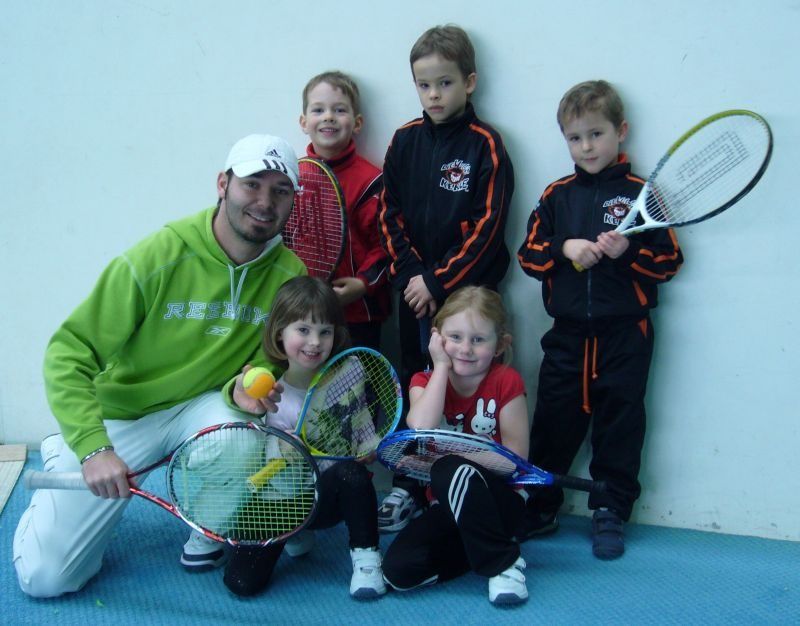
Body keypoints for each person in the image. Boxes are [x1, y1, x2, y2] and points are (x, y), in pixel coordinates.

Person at [13, 134, 307, 598]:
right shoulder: (159, 255)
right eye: (252, 184)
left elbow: (263, 360)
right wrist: (93, 449)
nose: (265, 202)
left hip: (202, 408)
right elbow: (69, 352)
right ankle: (63, 449)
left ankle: (205, 529)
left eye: (280, 190)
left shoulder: (291, 275)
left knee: (241, 439)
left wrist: (239, 390)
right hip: (124, 415)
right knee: (46, 579)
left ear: (292, 200)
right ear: (223, 184)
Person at [516, 80, 684, 559]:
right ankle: (540, 505)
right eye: (575, 138)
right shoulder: (557, 195)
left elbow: (669, 261)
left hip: (626, 335)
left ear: (620, 131)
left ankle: (610, 509)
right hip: (567, 335)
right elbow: (528, 256)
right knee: (553, 421)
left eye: (596, 134)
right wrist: (564, 248)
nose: (586, 147)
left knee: (620, 423)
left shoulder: (642, 194)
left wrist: (627, 252)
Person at [377, 24, 514, 532]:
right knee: (415, 383)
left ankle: (462, 486)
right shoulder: (404, 140)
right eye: (424, 85)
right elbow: (388, 212)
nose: (433, 94)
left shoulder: (486, 144)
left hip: (466, 299)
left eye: (445, 83)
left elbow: (488, 226)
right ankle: (408, 484)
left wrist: (438, 282)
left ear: (469, 82)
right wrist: (415, 278)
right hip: (412, 295)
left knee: (465, 391)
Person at [222, 276, 386, 599]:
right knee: (241, 583)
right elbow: (270, 471)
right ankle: (294, 533)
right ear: (279, 333)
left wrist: (369, 445)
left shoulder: (351, 369)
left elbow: (359, 415)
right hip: (284, 499)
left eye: (325, 331)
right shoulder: (272, 397)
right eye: (303, 330)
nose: (315, 342)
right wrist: (286, 453)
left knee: (352, 475)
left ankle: (367, 557)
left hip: (329, 495)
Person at [382, 287, 529, 605]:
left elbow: (513, 463)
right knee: (397, 572)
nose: (465, 349)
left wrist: (446, 456)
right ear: (437, 338)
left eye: (478, 339)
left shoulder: (507, 381)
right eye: (455, 337)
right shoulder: (424, 381)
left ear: (500, 345)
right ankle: (480, 550)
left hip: (499, 502)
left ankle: (503, 564)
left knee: (449, 469)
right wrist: (441, 367)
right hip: (447, 506)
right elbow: (421, 426)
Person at [299, 70, 390, 350]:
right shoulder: (291, 178)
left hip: (358, 314)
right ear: (304, 122)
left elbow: (387, 247)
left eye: (339, 110)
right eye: (318, 110)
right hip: (304, 310)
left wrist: (363, 284)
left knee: (358, 377)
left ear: (357, 122)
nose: (328, 117)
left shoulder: (372, 181)